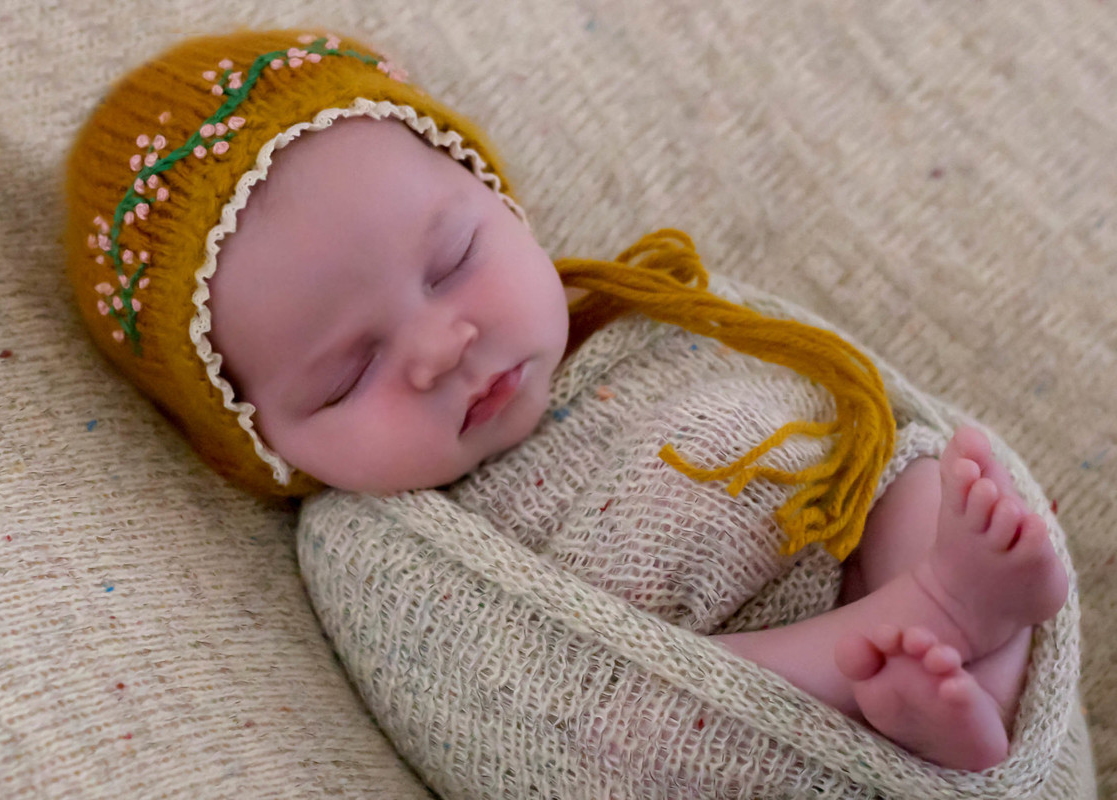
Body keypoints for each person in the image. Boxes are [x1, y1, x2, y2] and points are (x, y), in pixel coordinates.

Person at [63, 28, 1069, 773]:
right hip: (733, 684)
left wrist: (917, 501)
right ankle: (922, 643)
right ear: (264, 447)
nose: (439, 347)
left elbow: (858, 406)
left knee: (926, 468)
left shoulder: (649, 310)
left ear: (502, 199)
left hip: (848, 547)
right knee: (646, 708)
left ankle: (969, 655)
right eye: (347, 374)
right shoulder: (375, 545)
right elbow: (543, 714)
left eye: (454, 261)